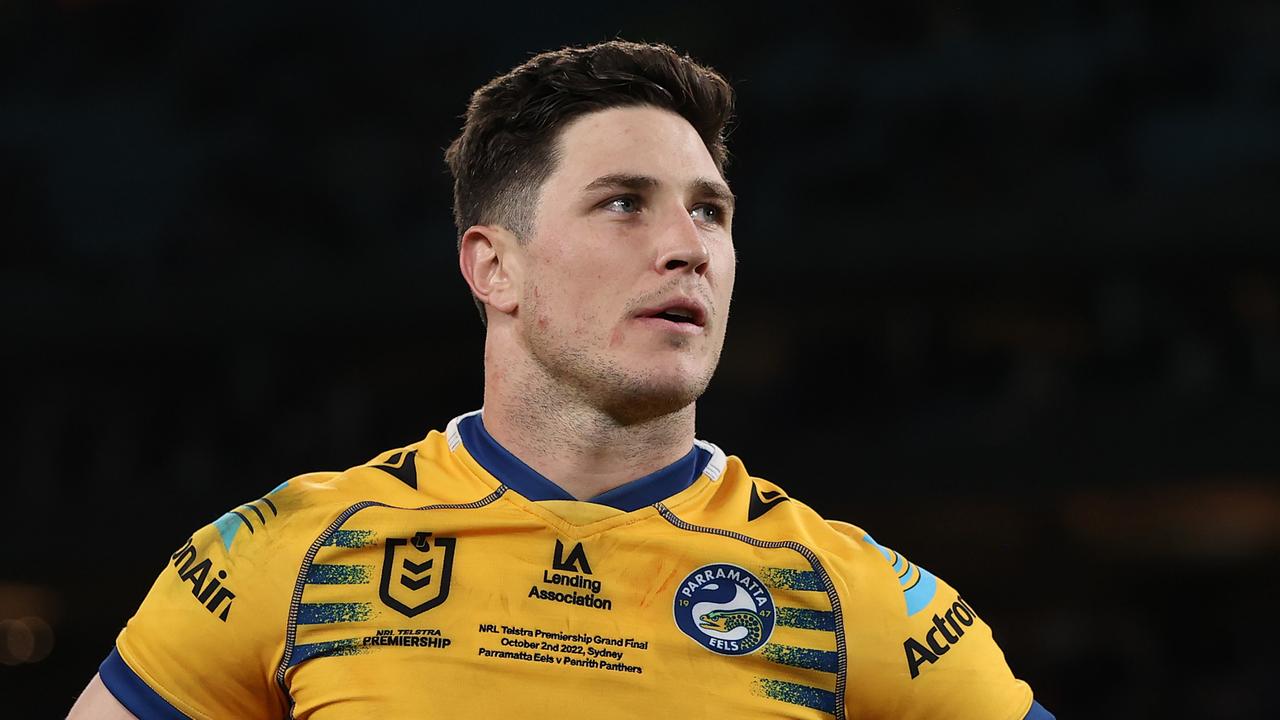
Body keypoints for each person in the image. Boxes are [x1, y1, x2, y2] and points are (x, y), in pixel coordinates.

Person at [70, 40, 1053, 719]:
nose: (686, 248)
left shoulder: (844, 594)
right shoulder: (290, 554)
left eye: (710, 213)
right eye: (623, 204)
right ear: (493, 265)